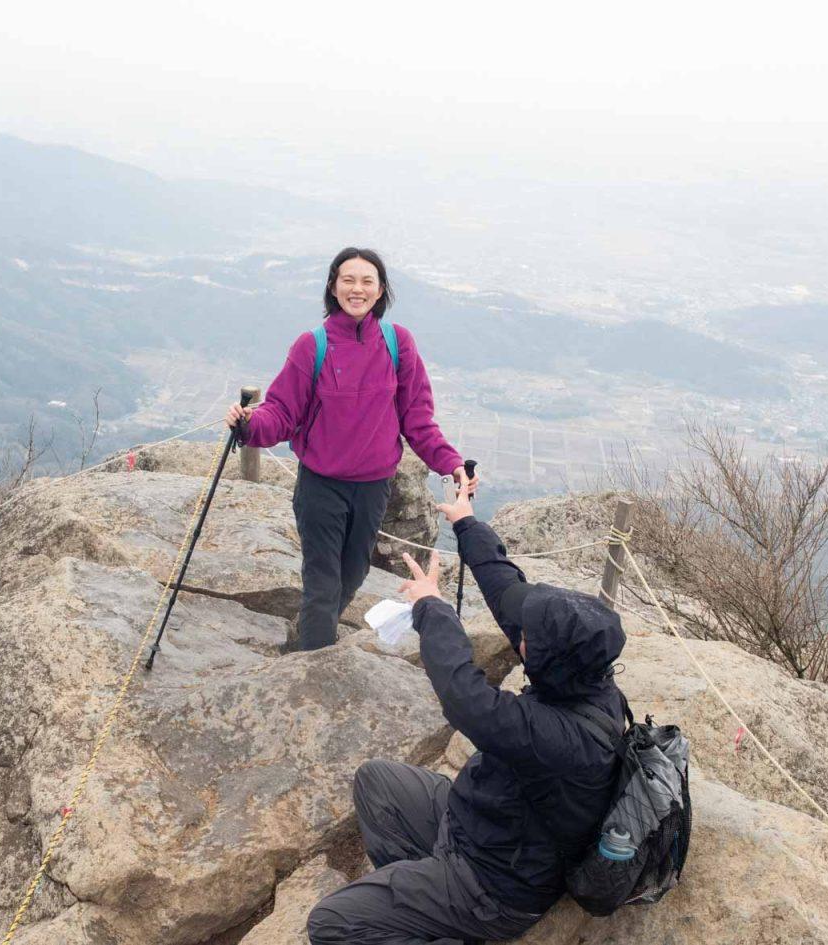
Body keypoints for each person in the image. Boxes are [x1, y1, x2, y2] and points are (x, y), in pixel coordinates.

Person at [306, 486, 628, 945]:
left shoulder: (561, 738)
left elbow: (466, 698)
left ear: (549, 659)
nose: (520, 637)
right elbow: (508, 594)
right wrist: (466, 525)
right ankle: (423, 908)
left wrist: (431, 609)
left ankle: (441, 919)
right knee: (376, 782)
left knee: (332, 925)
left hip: (495, 886)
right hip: (479, 825)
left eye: (529, 638)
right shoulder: (581, 673)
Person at [226, 247, 475, 651]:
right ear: (333, 287)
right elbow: (282, 411)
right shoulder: (314, 346)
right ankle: (313, 665)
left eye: (367, 281)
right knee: (323, 581)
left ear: (380, 291)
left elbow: (418, 420)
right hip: (321, 486)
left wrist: (451, 464)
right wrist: (249, 425)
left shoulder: (398, 344)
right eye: (348, 280)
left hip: (375, 486)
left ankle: (307, 633)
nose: (357, 289)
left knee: (352, 574)